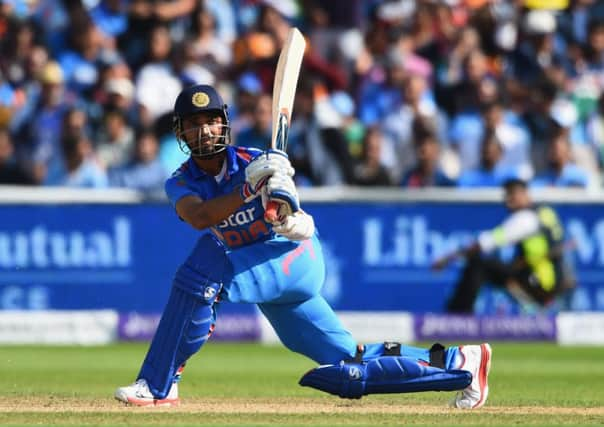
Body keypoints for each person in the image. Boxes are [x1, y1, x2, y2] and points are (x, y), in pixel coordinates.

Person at [114, 84, 491, 409]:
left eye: (210, 119)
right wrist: (247, 189)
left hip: (291, 257)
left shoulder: (255, 161)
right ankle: (461, 364)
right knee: (347, 363)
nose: (204, 129)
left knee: (202, 270)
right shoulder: (180, 181)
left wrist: (288, 211)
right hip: (263, 273)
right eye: (194, 123)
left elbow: (292, 212)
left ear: (223, 122)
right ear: (180, 131)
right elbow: (201, 217)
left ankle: (159, 384)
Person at [434, 178, 574, 313]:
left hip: (537, 282)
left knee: (478, 264)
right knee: (497, 264)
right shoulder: (546, 212)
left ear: (525, 194)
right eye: (506, 195)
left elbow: (485, 243)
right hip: (555, 280)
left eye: (512, 194)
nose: (508, 200)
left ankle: (459, 318)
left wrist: (448, 259)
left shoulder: (525, 219)